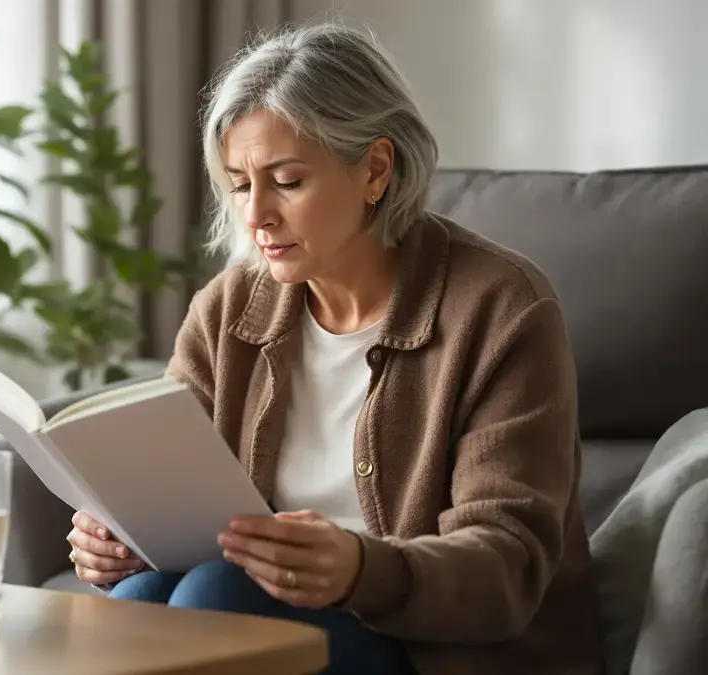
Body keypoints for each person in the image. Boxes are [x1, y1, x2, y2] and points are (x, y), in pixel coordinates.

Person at [63, 20, 603, 675]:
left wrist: (359, 569)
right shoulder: (230, 307)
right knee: (139, 596)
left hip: (440, 654)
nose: (256, 214)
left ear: (375, 169)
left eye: (287, 181)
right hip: (262, 616)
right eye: (239, 183)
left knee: (215, 597)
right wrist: (119, 536)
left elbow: (508, 565)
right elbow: (168, 491)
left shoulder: (501, 308)